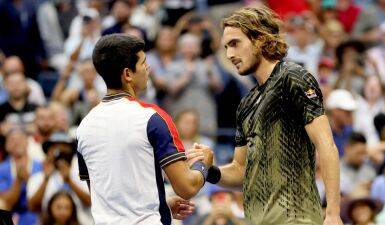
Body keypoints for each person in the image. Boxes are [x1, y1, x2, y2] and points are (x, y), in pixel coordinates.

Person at [194, 7, 342, 225]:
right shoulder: (246, 103)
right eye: (226, 47)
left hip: (296, 219)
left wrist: (333, 213)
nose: (229, 55)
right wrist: (210, 171)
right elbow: (241, 170)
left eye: (235, 43)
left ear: (260, 39)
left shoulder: (293, 77)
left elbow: (326, 145)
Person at [76, 34, 213, 225]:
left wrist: (161, 204)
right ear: (128, 74)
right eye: (143, 63)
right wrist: (203, 163)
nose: (148, 68)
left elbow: (104, 197)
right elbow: (187, 187)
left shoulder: (84, 127)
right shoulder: (153, 117)